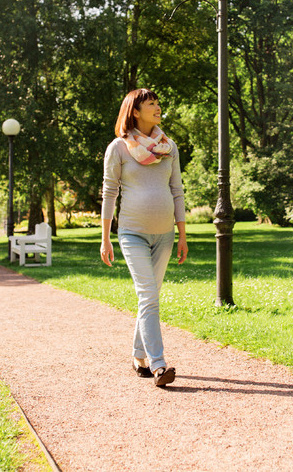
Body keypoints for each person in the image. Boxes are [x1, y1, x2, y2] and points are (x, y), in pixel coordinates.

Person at [100, 88, 188, 387]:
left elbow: (177, 190)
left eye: (158, 103)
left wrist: (182, 235)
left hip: (164, 234)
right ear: (135, 111)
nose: (157, 107)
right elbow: (110, 193)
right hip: (131, 232)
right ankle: (159, 365)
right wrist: (105, 238)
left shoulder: (169, 147)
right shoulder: (119, 148)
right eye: (151, 104)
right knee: (149, 296)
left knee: (148, 298)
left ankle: (138, 355)